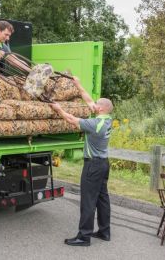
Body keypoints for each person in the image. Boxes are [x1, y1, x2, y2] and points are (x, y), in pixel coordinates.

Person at [51, 77, 113, 247]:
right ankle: (104, 231)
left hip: (93, 165)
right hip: (103, 164)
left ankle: (84, 236)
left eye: (96, 104)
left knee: (88, 200)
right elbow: (87, 98)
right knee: (102, 198)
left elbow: (71, 119)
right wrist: (77, 83)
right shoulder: (106, 119)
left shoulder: (94, 124)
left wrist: (58, 109)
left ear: (99, 108)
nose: (93, 105)